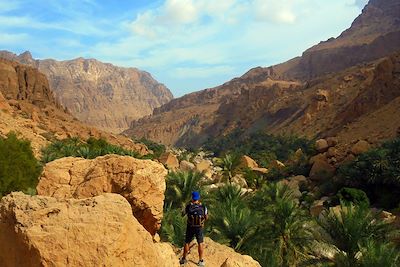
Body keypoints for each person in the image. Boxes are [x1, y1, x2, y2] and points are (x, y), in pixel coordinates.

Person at [180, 191, 208, 266]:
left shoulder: (189, 206)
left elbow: (182, 214)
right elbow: (206, 217)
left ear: (192, 198)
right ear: (199, 198)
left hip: (190, 227)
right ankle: (200, 260)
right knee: (200, 243)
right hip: (199, 228)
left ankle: (184, 259)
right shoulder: (203, 207)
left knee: (187, 242)